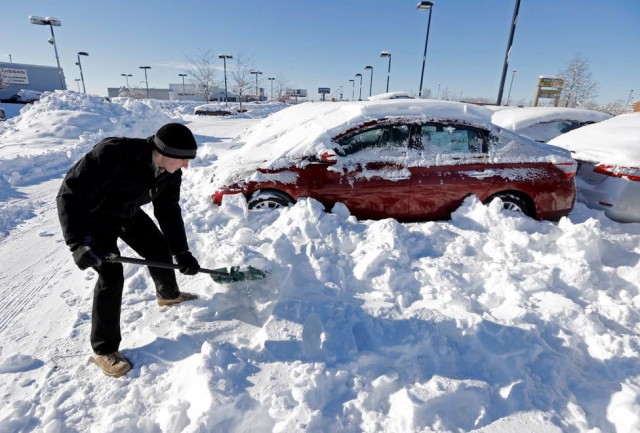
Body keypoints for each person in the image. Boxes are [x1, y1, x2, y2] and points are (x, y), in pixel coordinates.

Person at [57, 123, 201, 378]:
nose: (186, 166)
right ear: (163, 151)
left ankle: (168, 294)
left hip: (127, 211)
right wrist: (77, 243)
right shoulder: (114, 153)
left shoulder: (170, 172)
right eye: (182, 159)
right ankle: (104, 350)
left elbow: (168, 212)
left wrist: (182, 253)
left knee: (158, 248)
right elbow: (70, 194)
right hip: (95, 217)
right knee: (111, 276)